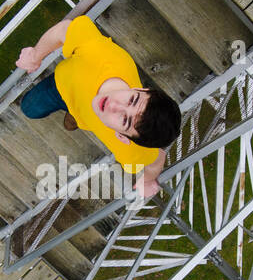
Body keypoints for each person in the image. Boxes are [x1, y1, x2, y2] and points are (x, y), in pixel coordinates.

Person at [17, 16, 181, 200]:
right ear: (141, 89)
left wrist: (149, 180)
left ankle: (76, 116)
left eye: (125, 120)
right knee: (29, 108)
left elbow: (156, 159)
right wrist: (35, 56)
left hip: (83, 108)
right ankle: (74, 114)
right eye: (132, 100)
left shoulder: (130, 150)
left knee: (45, 111)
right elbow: (64, 29)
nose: (114, 104)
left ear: (122, 137)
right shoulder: (101, 54)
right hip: (61, 86)